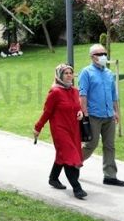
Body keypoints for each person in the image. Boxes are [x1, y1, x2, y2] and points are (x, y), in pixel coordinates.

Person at [33, 64, 87, 199]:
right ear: (59, 75)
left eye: (71, 73)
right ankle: (77, 188)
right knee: (70, 157)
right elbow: (47, 112)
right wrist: (38, 127)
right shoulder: (55, 92)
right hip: (60, 130)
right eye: (66, 73)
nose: (69, 75)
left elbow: (77, 107)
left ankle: (53, 178)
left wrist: (80, 112)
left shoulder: (75, 91)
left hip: (73, 129)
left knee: (63, 155)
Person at [79, 44, 124, 186]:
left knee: (110, 146)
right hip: (93, 115)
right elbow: (83, 94)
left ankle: (110, 176)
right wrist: (85, 113)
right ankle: (73, 163)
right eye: (100, 54)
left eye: (104, 53)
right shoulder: (86, 72)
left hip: (108, 115)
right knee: (91, 145)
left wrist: (116, 112)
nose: (103, 56)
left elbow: (113, 95)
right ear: (92, 57)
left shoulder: (108, 73)